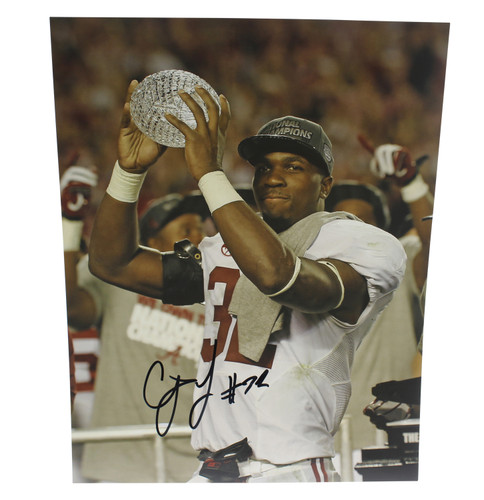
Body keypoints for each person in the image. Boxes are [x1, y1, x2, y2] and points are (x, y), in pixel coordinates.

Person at [88, 81, 407, 482]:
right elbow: (113, 263)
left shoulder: (360, 242)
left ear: (326, 185)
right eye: (263, 167)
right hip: (213, 469)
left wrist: (209, 174)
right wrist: (128, 173)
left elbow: (279, 276)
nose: (273, 177)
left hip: (288, 471)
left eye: (293, 166)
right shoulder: (227, 246)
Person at [62, 163, 210, 482]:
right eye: (186, 228)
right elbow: (71, 307)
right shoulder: (117, 278)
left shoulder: (215, 288)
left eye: (201, 227)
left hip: (194, 465)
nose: (200, 236)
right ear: (151, 241)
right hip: (119, 461)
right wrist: (69, 226)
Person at [325, 177, 430, 474]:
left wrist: (411, 184)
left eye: (365, 223)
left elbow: (436, 242)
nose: (355, 233)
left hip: (388, 437)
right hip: (322, 442)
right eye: (344, 223)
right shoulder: (305, 274)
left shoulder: (400, 264)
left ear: (383, 232)